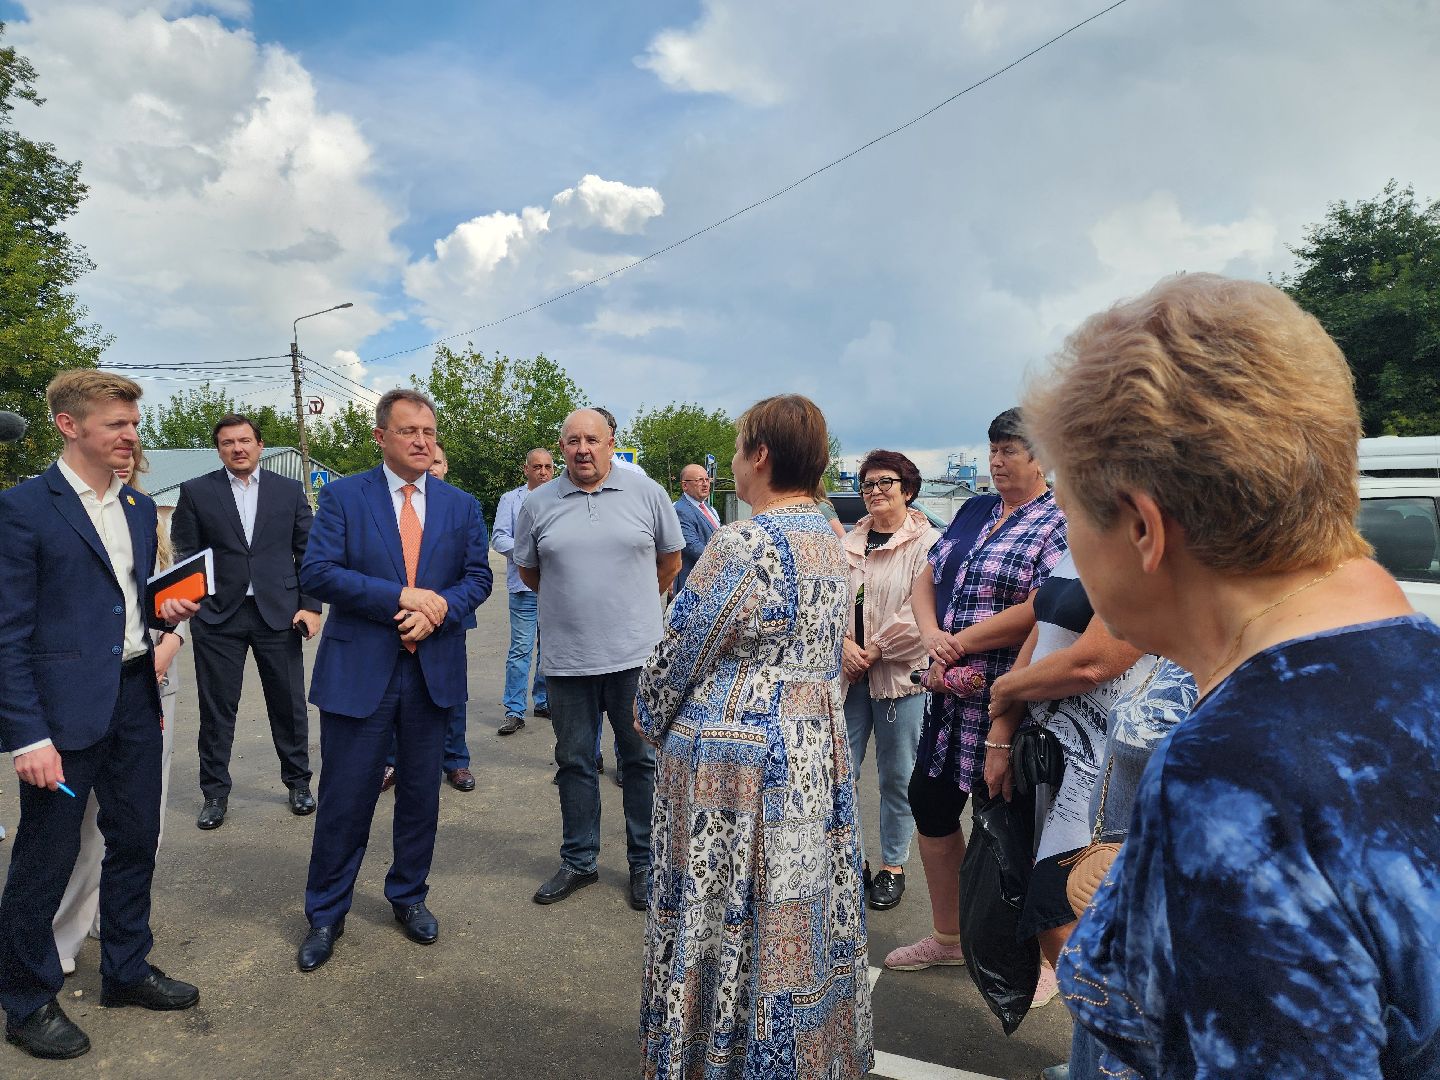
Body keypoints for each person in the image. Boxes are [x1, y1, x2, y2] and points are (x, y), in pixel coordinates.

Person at [1027, 273, 1440, 1077]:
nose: (1068, 537)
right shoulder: (1412, 666)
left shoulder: (1229, 775)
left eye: (1069, 510)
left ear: (1143, 526)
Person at [636, 394, 872, 1079]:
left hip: (735, 766)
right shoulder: (827, 535)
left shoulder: (747, 540)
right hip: (811, 755)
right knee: (790, 911)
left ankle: (714, 1057)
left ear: (761, 455)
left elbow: (682, 648)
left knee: (717, 914)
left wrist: (648, 715)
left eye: (738, 448)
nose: (733, 463)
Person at [0, 371, 201, 1061]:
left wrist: (165, 610)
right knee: (45, 859)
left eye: (133, 422)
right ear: (69, 425)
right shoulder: (24, 508)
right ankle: (26, 1000)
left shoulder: (141, 509)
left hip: (135, 699)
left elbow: (126, 606)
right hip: (61, 718)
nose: (131, 435)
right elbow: (8, 633)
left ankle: (126, 967)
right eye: (117, 423)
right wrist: (27, 734)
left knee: (137, 841)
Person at [295, 389, 492, 972]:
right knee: (345, 798)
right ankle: (326, 912)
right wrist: (402, 598)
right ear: (381, 437)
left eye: (429, 432)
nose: (422, 441)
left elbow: (478, 578)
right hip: (362, 671)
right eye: (409, 431)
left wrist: (438, 610)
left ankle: (409, 895)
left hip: (431, 671)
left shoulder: (460, 505)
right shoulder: (343, 496)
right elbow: (319, 571)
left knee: (420, 799)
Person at [884, 408, 1067, 972]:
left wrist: (960, 642)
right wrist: (934, 634)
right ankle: (950, 936)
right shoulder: (974, 508)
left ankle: (1035, 961)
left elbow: (1044, 606)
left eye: (1010, 450)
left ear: (1041, 456)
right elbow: (926, 575)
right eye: (992, 449)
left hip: (1011, 702)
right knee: (932, 809)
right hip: (948, 695)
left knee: (1015, 833)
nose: (996, 460)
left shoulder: (1059, 518)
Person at [514, 408, 683, 911]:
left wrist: (628, 610)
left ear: (611, 442)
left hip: (635, 658)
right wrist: (576, 608)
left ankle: (644, 863)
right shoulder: (538, 503)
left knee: (640, 761)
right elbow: (529, 571)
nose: (582, 449)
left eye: (592, 439)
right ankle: (579, 859)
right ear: (561, 447)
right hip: (567, 661)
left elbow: (670, 562)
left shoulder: (646, 493)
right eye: (572, 441)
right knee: (574, 760)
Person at [981, 551, 1147, 1007]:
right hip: (1051, 759)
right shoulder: (1077, 547)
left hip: (1109, 765)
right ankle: (1099, 1049)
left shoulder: (1141, 555)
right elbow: (1040, 635)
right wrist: (1000, 735)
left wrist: (1004, 689)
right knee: (1064, 907)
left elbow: (1092, 663)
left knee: (1056, 907)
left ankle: (1117, 1051)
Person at [52, 448, 189, 977]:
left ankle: (119, 920)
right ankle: (62, 932)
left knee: (140, 820)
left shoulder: (146, 515)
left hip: (155, 683)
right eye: (115, 446)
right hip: (89, 691)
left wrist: (169, 646)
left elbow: (173, 595)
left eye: (133, 452)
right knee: (83, 823)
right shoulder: (64, 514)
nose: (124, 458)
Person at [170, 413, 321, 829]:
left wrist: (310, 605)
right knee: (217, 709)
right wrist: (193, 600)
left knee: (288, 705)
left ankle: (298, 784)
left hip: (280, 613)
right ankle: (214, 794)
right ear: (218, 449)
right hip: (218, 615)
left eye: (244, 441)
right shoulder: (198, 491)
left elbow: (308, 551)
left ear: (259, 445)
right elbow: (185, 551)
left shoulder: (288, 491)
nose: (237, 448)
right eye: (227, 443)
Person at [840, 450, 939, 911]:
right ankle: (848, 858)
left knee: (898, 777)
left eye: (885, 482)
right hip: (848, 674)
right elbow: (829, 600)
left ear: (908, 489)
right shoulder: (848, 541)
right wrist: (844, 646)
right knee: (840, 771)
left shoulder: (927, 543)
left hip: (901, 677)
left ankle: (893, 865)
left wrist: (874, 650)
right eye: (867, 483)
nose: (875, 491)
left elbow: (919, 615)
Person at [489, 448, 555, 736]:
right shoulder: (511, 500)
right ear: (525, 469)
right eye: (537, 466)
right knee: (521, 650)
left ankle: (542, 701)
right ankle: (514, 710)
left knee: (550, 649)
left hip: (556, 588)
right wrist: (527, 553)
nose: (543, 472)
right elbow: (499, 536)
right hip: (524, 586)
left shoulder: (563, 498)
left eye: (548, 467)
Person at [672, 462, 719, 594]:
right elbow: (692, 547)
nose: (705, 484)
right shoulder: (680, 510)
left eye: (707, 479)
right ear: (685, 485)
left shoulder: (708, 508)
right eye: (699, 480)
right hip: (693, 586)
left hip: (710, 583)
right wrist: (723, 559)